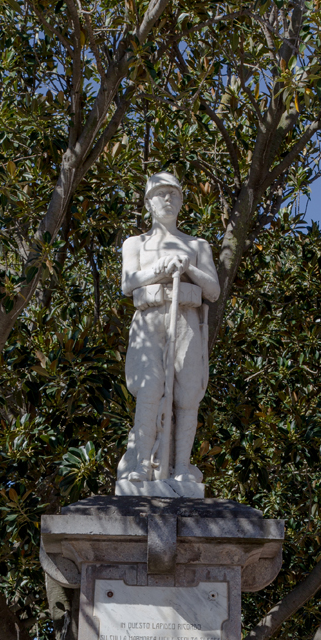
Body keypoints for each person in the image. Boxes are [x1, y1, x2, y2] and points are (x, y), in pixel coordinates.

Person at [116, 171, 220, 489]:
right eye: (161, 194)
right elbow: (128, 283)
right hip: (150, 320)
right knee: (150, 391)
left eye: (173, 194)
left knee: (188, 394)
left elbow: (213, 290)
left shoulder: (197, 245)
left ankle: (181, 467)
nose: (168, 199)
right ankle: (141, 464)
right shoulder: (136, 244)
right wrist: (158, 268)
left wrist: (188, 267)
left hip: (185, 320)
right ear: (148, 202)